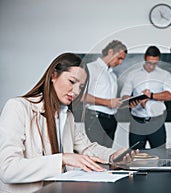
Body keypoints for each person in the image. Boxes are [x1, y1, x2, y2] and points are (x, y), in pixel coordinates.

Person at [0, 53, 137, 193]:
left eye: (81, 86)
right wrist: (63, 159)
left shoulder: (67, 116)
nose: (76, 91)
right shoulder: (18, 107)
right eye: (72, 82)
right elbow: (7, 169)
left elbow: (87, 148)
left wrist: (113, 156)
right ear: (53, 75)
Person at [120, 46, 171, 149]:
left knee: (160, 156)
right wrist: (131, 101)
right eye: (149, 63)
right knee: (135, 157)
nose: (151, 66)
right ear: (145, 58)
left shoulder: (165, 75)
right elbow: (124, 95)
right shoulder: (132, 74)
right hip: (137, 122)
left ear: (158, 60)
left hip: (157, 122)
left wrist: (150, 96)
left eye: (154, 63)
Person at [84, 40, 127, 147]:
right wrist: (108, 102)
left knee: (107, 156)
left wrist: (125, 103)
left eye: (123, 59)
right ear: (111, 52)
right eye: (119, 58)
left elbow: (111, 102)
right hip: (95, 119)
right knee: (96, 156)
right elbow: (81, 96)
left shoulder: (112, 75)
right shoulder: (90, 68)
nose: (121, 62)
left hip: (112, 119)